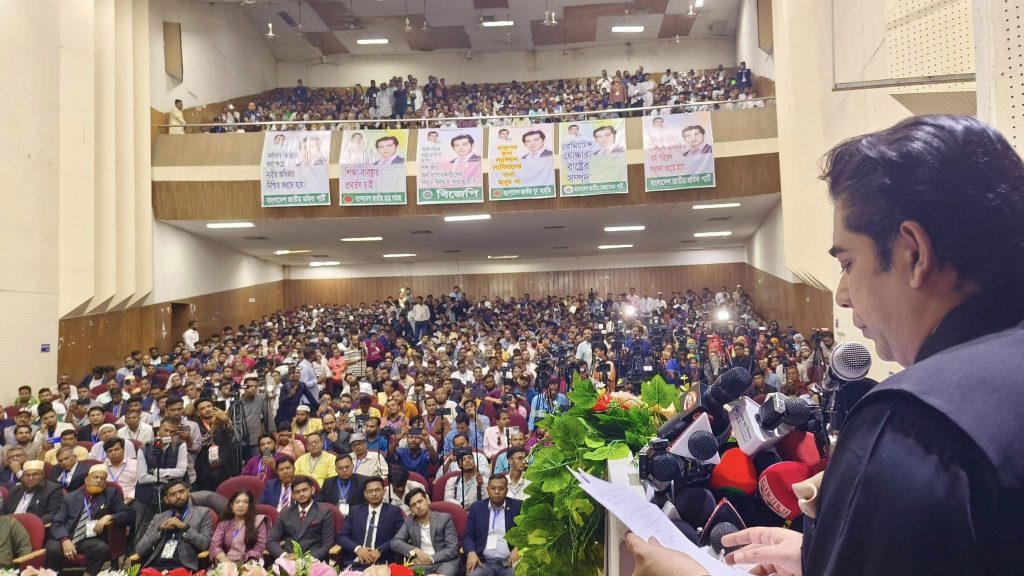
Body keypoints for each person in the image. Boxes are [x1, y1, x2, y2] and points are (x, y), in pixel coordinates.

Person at [629, 116, 1024, 575]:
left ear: (913, 254)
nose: (841, 295)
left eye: (848, 263)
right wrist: (818, 559)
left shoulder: (911, 426)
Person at [46, 464, 135, 575]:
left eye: (103, 478)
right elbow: (57, 522)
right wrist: (65, 540)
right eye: (96, 477)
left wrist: (110, 516)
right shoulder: (71, 497)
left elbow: (129, 514)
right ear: (86, 480)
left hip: (88, 538)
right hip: (68, 534)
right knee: (52, 548)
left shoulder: (110, 495)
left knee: (101, 549)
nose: (99, 480)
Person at [134, 477, 215, 572]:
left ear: (188, 492)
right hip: (156, 566)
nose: (178, 496)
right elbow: (140, 549)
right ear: (166, 499)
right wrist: (159, 530)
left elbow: (205, 545)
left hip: (183, 566)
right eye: (172, 494)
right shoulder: (158, 518)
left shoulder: (203, 514)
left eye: (181, 492)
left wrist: (185, 528)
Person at [389, 487, 460, 576]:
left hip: (444, 563)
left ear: (427, 500)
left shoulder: (445, 518)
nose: (418, 506)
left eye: (420, 501)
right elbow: (395, 543)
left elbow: (452, 549)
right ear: (411, 510)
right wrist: (415, 551)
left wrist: (429, 558)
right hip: (420, 565)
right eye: (413, 505)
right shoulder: (409, 521)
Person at [336, 476, 404, 568]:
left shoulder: (394, 512)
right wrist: (358, 549)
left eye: (377, 490)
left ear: (384, 491)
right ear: (365, 494)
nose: (374, 494)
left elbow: (399, 538)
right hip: (356, 561)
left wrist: (380, 550)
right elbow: (341, 537)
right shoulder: (355, 511)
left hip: (382, 562)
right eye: (370, 491)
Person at [464, 475, 522, 576]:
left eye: (501, 488)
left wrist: (518, 548)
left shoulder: (517, 506)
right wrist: (471, 553)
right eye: (493, 488)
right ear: (487, 490)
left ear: (507, 490)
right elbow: (468, 536)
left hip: (510, 562)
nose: (497, 492)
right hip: (483, 562)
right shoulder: (477, 508)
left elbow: (528, 532)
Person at [266, 475, 334, 561]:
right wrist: (284, 555)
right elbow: (271, 541)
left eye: (304, 490)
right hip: (288, 560)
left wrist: (303, 559)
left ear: (312, 490)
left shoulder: (324, 512)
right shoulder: (285, 512)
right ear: (293, 495)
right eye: (297, 492)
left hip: (312, 560)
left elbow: (326, 546)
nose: (301, 494)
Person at [209, 488, 270, 566]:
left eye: (245, 502)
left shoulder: (258, 522)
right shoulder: (223, 524)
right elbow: (215, 546)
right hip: (225, 564)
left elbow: (259, 548)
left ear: (250, 505)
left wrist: (246, 567)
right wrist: (226, 562)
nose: (241, 505)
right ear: (232, 505)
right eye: (237, 502)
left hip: (250, 565)